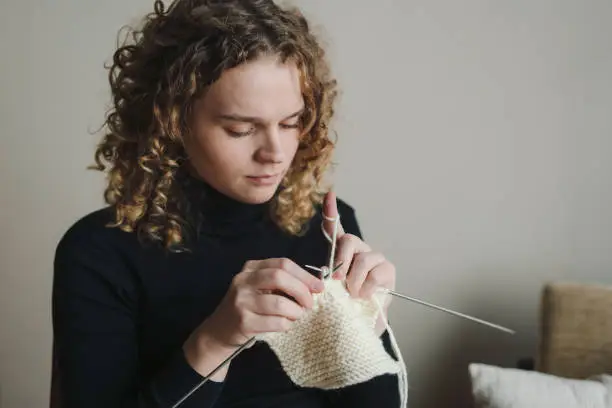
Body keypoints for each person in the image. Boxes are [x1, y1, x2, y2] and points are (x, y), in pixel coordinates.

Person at [51, 0, 400, 407]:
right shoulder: (99, 254)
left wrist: (371, 324)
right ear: (173, 122)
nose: (275, 152)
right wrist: (216, 341)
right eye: (240, 129)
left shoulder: (329, 229)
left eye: (291, 123)